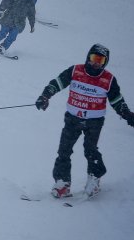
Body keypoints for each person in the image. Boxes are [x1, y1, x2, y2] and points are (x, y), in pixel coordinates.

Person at [35, 44, 134, 198]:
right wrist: (45, 96)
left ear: (105, 63)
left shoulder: (108, 79)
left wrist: (127, 115)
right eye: (94, 58)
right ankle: (62, 183)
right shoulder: (76, 71)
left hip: (94, 122)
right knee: (64, 150)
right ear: (88, 57)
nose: (96, 63)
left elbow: (117, 100)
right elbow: (57, 83)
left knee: (90, 150)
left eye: (100, 61)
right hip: (72, 119)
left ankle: (94, 178)